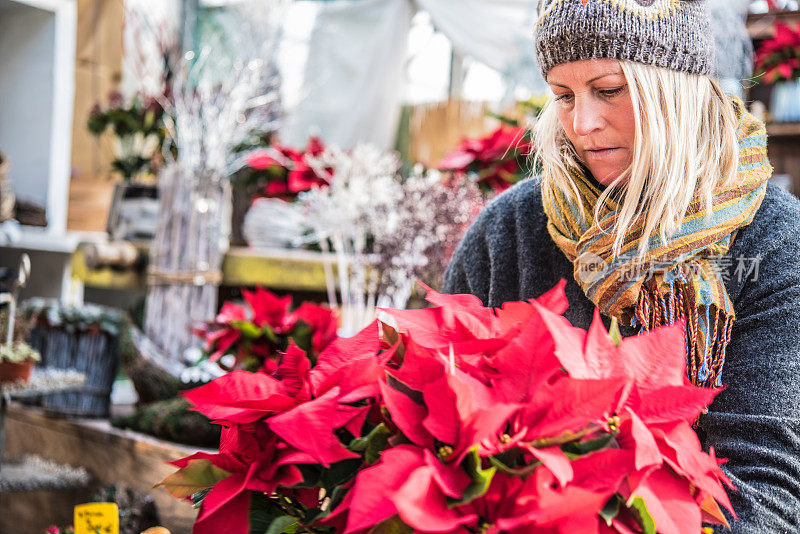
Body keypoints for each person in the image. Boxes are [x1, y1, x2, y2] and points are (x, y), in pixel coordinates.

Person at [443, 1, 800, 532]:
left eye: (608, 89)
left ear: (674, 88)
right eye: (563, 96)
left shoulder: (773, 242)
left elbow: (763, 488)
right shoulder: (510, 230)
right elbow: (441, 419)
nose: (582, 124)